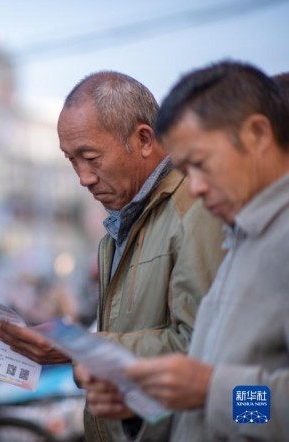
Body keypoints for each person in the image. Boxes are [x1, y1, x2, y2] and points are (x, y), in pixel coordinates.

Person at [0, 71, 224, 441]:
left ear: (144, 139)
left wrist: (81, 348)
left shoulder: (197, 209)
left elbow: (201, 345)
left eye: (91, 157)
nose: (83, 177)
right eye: (71, 160)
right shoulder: (122, 223)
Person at [124, 61, 289, 441]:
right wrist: (151, 399)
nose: (194, 187)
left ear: (257, 134)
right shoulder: (244, 236)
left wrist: (213, 391)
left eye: (200, 164)